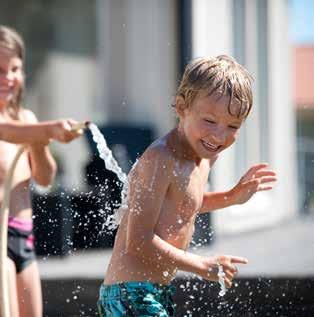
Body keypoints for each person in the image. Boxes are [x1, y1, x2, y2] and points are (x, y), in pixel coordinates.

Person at [97, 55, 277, 316]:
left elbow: (183, 205)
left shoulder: (205, 154)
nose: (219, 135)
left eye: (232, 126)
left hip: (155, 291)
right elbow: (136, 241)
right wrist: (201, 265)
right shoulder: (161, 158)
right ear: (182, 108)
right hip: (129, 293)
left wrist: (233, 197)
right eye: (209, 121)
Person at [0, 23, 83, 317]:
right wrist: (45, 129)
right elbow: (1, 130)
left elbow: (45, 177)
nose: (8, 78)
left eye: (14, 68)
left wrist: (39, 140)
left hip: (24, 236)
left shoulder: (26, 117)